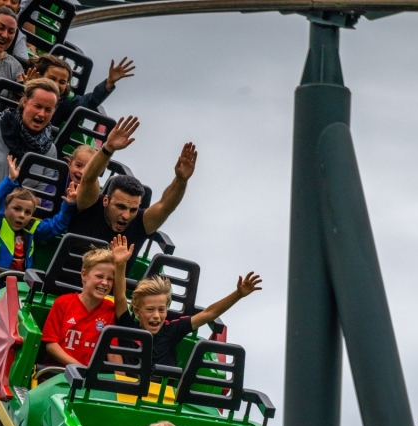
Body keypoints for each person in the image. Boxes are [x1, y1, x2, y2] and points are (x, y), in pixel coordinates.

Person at [110, 234, 262, 372]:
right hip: (129, 394)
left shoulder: (171, 330)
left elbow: (209, 313)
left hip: (162, 396)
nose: (156, 316)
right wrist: (120, 265)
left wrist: (238, 294)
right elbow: (121, 297)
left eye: (161, 310)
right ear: (137, 311)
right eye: (150, 310)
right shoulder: (127, 327)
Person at [72, 116, 197, 273]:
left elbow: (166, 206)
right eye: (120, 206)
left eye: (133, 209)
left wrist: (181, 180)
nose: (126, 215)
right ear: (105, 200)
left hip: (110, 296)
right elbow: (88, 179)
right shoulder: (90, 205)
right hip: (64, 288)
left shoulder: (140, 224)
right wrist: (108, 148)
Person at [0, 77, 59, 192]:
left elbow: (42, 196)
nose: (42, 114)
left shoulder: (50, 150)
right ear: (24, 103)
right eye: (37, 106)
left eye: (48, 110)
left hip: (17, 207)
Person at [0, 155, 76, 272]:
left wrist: (69, 205)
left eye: (28, 212)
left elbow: (57, 225)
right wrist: (10, 180)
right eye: (17, 209)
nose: (22, 215)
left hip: (19, 282)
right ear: (5, 208)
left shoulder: (32, 228)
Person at [41, 246, 119, 367]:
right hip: (56, 375)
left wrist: (122, 380)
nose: (104, 283)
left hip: (88, 381)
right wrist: (79, 368)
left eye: (110, 279)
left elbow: (113, 353)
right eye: (99, 276)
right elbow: (51, 346)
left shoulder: (110, 309)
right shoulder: (63, 303)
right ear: (84, 275)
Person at [26, 53, 135, 127]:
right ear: (40, 76)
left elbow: (89, 101)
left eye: (62, 82)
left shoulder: (65, 103)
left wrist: (109, 82)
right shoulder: (24, 84)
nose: (56, 85)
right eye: (52, 79)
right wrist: (27, 89)